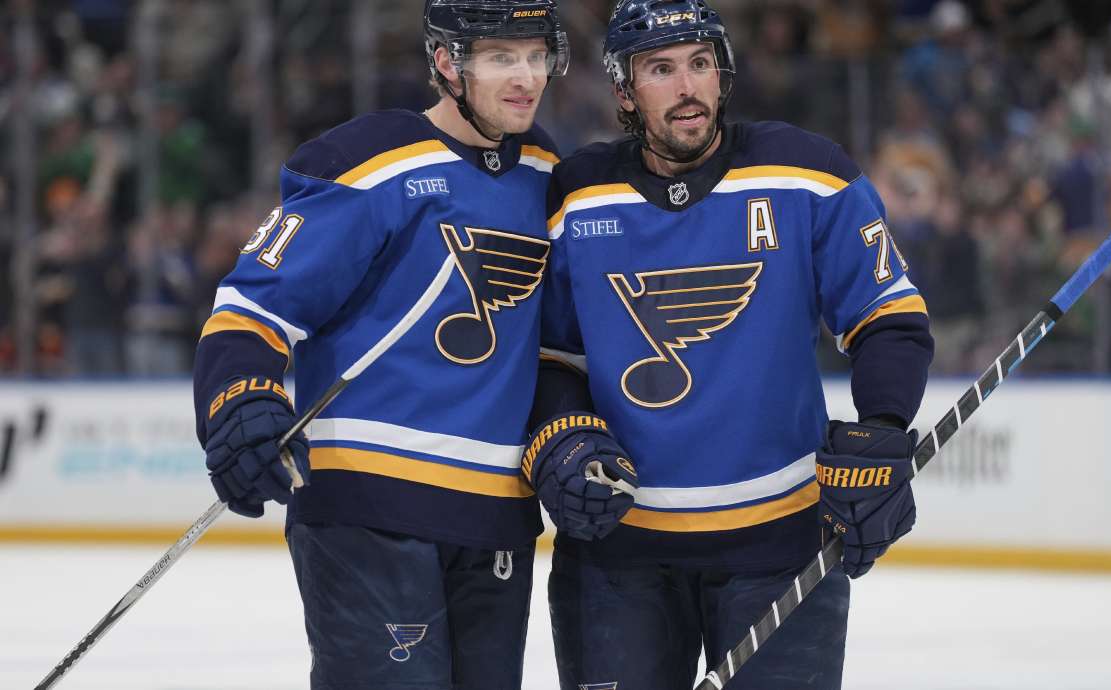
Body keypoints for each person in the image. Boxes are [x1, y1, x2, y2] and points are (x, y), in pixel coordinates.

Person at [524, 1, 934, 688]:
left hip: (782, 549)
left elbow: (887, 316)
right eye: (661, 69)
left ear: (722, 74)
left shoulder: (807, 175)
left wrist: (885, 427)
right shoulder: (577, 196)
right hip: (618, 557)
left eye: (699, 64)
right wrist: (561, 430)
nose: (687, 87)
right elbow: (549, 356)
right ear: (624, 91)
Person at [191, 2, 568, 688]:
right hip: (369, 512)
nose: (527, 76)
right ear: (448, 63)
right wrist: (239, 397)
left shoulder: (549, 173)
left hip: (495, 520)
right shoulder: (366, 164)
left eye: (537, 55)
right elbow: (251, 306)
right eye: (501, 57)